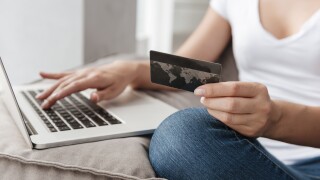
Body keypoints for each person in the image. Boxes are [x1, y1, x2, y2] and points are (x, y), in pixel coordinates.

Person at [37, 0, 320, 179]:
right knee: (186, 134)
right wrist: (130, 70)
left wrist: (277, 119)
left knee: (181, 135)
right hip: (250, 150)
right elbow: (194, 70)